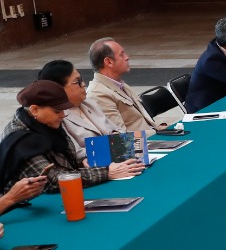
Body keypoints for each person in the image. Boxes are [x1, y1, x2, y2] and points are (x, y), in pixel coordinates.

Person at [0, 80, 142, 199]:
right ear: (34, 110)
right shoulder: (21, 138)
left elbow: (68, 158)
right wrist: (107, 172)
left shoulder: (45, 122)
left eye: (63, 110)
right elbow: (52, 180)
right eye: (57, 111)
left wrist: (82, 162)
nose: (63, 115)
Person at [37, 60, 117, 159]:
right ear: (59, 88)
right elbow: (75, 153)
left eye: (81, 79)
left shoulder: (88, 103)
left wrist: (121, 138)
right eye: (77, 81)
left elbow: (115, 129)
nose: (83, 84)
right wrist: (114, 145)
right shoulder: (56, 116)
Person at [86, 37, 160, 134]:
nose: (127, 57)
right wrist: (156, 133)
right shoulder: (98, 94)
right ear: (108, 62)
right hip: (144, 142)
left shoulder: (119, 84)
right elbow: (121, 136)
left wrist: (158, 129)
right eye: (122, 54)